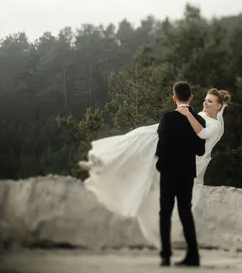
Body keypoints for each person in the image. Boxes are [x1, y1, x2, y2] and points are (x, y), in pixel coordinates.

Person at [78, 82, 231, 267]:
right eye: (205, 100)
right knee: (139, 136)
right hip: (180, 162)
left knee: (173, 212)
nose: (205, 104)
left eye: (210, 101)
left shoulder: (214, 125)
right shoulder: (200, 116)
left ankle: (180, 255)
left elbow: (201, 135)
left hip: (184, 166)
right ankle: (104, 159)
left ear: (219, 106)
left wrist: (186, 115)